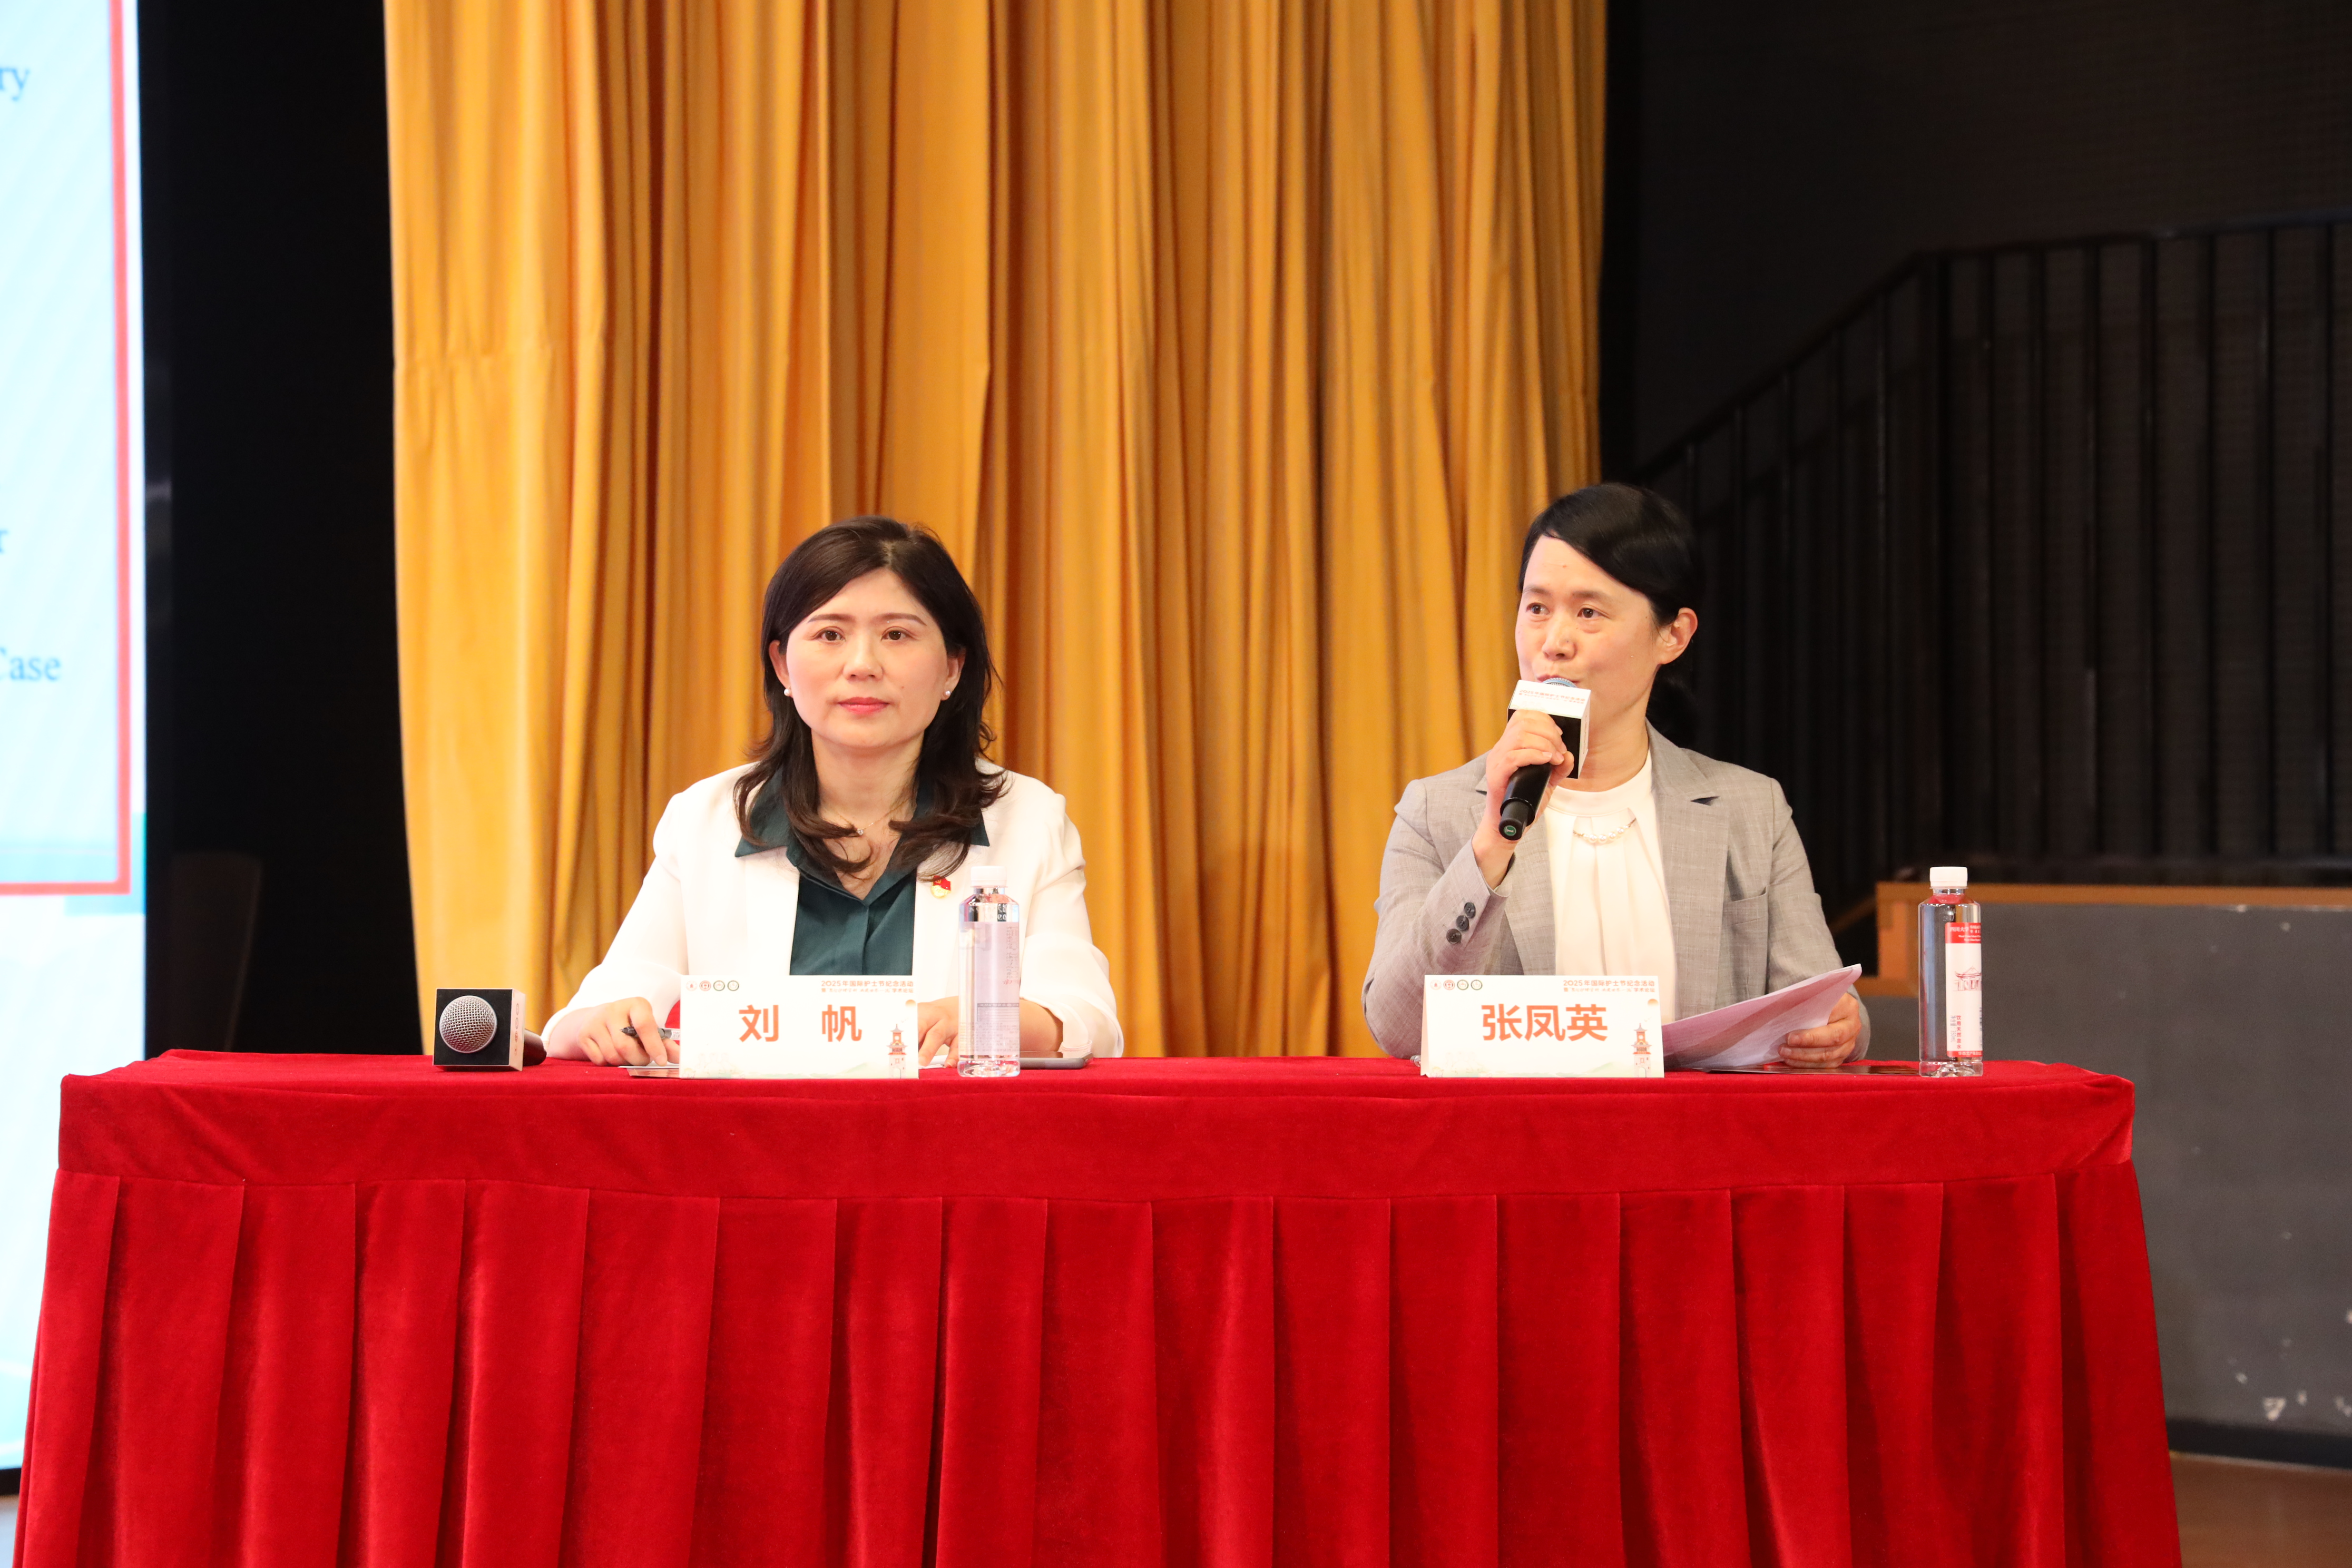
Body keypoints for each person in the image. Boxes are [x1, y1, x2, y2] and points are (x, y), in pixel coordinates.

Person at [544, 517, 1122, 1065]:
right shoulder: (708, 819)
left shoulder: (1028, 820)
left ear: (952, 667)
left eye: (896, 634)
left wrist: (981, 1018)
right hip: (755, 1132)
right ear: (782, 666)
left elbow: (1084, 1018)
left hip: (947, 1130)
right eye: (830, 634)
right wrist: (606, 1023)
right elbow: (588, 1016)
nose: (862, 665)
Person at [1361, 482, 1867, 1064]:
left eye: (1588, 613)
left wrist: (1840, 1029)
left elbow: (1823, 1003)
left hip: (1692, 1123)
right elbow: (1398, 1028)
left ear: (1673, 635)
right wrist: (1490, 846)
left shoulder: (1752, 810)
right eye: (1537, 608)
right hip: (1521, 1123)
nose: (1554, 643)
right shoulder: (1437, 812)